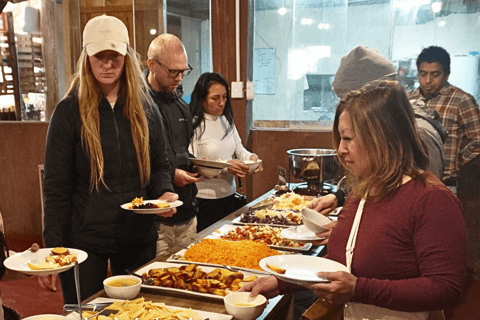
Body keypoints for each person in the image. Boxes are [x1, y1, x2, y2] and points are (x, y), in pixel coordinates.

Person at [241, 80, 466, 319]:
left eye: (348, 138)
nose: (340, 149)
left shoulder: (431, 200)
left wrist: (359, 289)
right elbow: (340, 263)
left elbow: (446, 288)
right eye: (340, 138)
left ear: (383, 137)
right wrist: (282, 281)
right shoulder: (364, 191)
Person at [43, 15, 177, 304]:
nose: (107, 64)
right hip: (84, 240)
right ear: (86, 57)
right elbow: (56, 187)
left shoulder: (145, 107)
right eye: (99, 56)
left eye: (114, 55)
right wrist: (52, 248)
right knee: (83, 311)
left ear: (127, 56)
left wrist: (164, 191)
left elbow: (160, 163)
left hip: (137, 235)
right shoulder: (68, 112)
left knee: (138, 311)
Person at [309, 45, 447, 225]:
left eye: (352, 100)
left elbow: (418, 216)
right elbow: (375, 179)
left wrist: (354, 232)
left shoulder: (421, 133)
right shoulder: (383, 130)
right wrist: (339, 196)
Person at [146, 34, 201, 256]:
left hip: (187, 212)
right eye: (173, 72)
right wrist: (171, 174)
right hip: (155, 221)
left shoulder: (182, 107)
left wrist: (198, 167)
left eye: (183, 71)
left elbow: (183, 151)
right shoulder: (137, 106)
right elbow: (136, 161)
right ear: (152, 65)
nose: (179, 78)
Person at [188, 72, 262, 232]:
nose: (221, 103)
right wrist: (225, 166)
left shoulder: (226, 120)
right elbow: (195, 164)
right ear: (202, 98)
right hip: (204, 200)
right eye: (215, 98)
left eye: (224, 97)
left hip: (229, 197)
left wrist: (251, 158)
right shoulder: (192, 124)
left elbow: (239, 150)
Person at [407, 46, 480, 192]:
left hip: (445, 183)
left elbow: (477, 140)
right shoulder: (407, 99)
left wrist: (454, 163)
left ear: (446, 75)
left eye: (435, 74)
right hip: (410, 181)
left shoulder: (461, 100)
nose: (428, 80)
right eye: (423, 74)